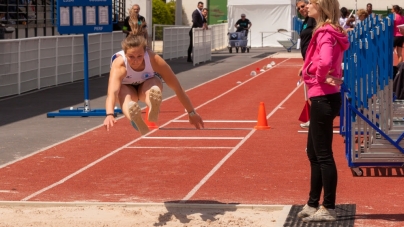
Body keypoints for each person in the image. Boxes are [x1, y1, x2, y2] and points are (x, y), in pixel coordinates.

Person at [298, 0, 349, 222]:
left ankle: (328, 207)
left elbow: (326, 60)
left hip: (323, 96)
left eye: (311, 2)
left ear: (323, 6)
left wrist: (314, 76)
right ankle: (312, 203)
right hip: (323, 95)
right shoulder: (328, 31)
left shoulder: (325, 33)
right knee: (314, 152)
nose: (307, 5)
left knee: (323, 154)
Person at [104, 22, 204, 135]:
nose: (135, 60)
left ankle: (152, 106)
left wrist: (191, 113)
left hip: (146, 86)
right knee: (122, 93)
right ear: (125, 54)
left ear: (145, 52)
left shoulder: (154, 60)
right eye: (131, 57)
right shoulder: (120, 65)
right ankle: (133, 116)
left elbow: (177, 88)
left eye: (139, 56)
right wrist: (109, 114)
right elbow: (112, 93)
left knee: (154, 84)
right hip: (126, 88)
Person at [296, 0, 316, 129]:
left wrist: (308, 63)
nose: (302, 9)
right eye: (299, 8)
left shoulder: (313, 20)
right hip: (308, 61)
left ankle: (315, 120)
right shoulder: (305, 22)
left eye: (303, 6)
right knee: (313, 92)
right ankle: (314, 119)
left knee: (315, 92)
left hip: (313, 61)